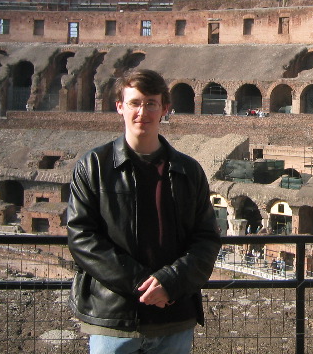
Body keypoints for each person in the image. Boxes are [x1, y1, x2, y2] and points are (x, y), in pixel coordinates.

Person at [67, 69, 221, 354]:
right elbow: (82, 238)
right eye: (135, 102)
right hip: (114, 319)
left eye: (151, 103)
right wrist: (145, 285)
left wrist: (170, 283)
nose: (142, 111)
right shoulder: (93, 166)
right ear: (119, 107)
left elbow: (207, 239)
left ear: (165, 108)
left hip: (174, 317)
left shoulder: (189, 171)